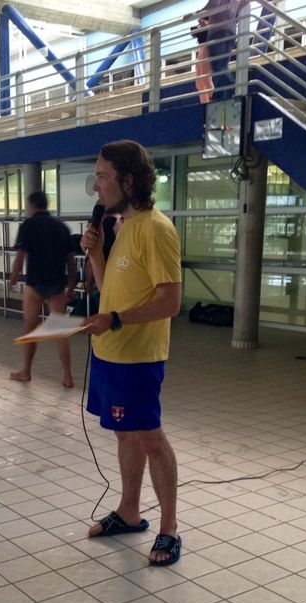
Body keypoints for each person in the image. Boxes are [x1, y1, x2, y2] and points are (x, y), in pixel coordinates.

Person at [80, 140, 183, 567]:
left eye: (102, 177)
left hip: (139, 358)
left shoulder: (156, 230)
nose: (96, 187)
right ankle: (129, 511)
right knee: (126, 434)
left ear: (128, 181)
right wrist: (96, 253)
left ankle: (169, 528)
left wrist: (117, 320)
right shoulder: (123, 226)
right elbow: (110, 290)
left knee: (150, 438)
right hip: (111, 353)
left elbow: (170, 302)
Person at [9, 190, 77, 387]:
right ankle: (68, 376)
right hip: (57, 284)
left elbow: (20, 257)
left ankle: (26, 372)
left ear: (31, 206)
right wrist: (71, 286)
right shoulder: (62, 227)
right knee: (60, 331)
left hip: (35, 283)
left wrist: (13, 277)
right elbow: (71, 261)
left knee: (30, 328)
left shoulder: (27, 225)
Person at [191, 0, 240, 104]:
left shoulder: (221, 14)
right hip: (208, 41)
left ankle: (212, 98)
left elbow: (211, 7)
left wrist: (199, 17)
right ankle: (207, 102)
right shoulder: (221, 14)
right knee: (200, 80)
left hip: (212, 39)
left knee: (207, 75)